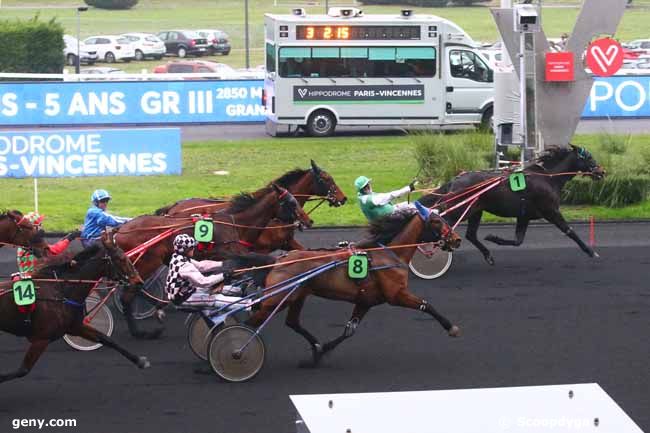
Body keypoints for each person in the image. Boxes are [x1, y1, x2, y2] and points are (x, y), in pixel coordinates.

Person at [165, 234, 248, 308]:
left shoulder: (178, 256)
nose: (194, 249)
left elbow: (201, 266)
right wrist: (224, 274)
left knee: (212, 288)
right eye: (192, 247)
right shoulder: (184, 266)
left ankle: (240, 291)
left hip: (186, 290)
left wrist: (223, 264)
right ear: (186, 250)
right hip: (182, 298)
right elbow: (204, 282)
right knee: (215, 298)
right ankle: (250, 304)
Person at [16, 212, 80, 276]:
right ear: (34, 227)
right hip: (35, 277)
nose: (42, 226)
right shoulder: (32, 243)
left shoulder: (25, 241)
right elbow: (55, 250)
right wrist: (70, 238)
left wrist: (68, 237)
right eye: (40, 224)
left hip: (29, 275)